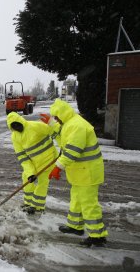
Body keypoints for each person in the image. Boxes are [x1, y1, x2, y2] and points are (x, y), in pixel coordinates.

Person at [41, 99, 108, 247]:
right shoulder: (69, 123)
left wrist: (58, 167)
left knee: (89, 204)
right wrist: (51, 124)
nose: (56, 120)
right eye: (55, 118)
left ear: (63, 114)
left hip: (88, 173)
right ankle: (75, 226)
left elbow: (71, 151)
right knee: (76, 199)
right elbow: (62, 138)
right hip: (80, 173)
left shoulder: (77, 126)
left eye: (57, 117)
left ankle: (97, 235)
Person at [7, 112, 58, 214]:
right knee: (26, 178)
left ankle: (37, 206)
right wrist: (30, 173)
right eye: (14, 126)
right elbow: (22, 157)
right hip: (33, 162)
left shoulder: (35, 126)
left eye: (18, 124)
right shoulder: (15, 137)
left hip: (48, 159)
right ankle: (28, 203)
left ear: (21, 121)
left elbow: (54, 131)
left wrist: (53, 124)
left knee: (42, 182)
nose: (17, 127)